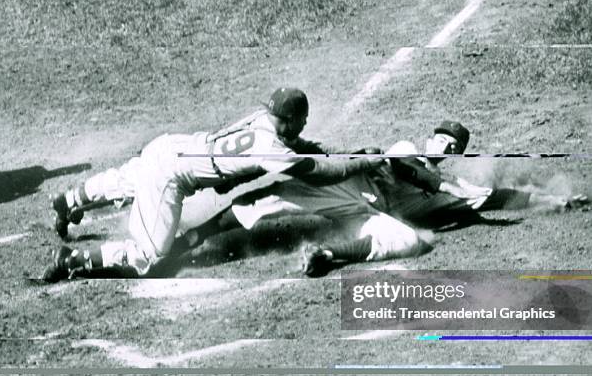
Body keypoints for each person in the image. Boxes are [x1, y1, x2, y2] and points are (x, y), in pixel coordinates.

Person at [42, 87, 385, 282]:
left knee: (130, 179)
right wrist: (363, 163)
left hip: (170, 146)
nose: (305, 125)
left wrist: (349, 154)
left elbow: (305, 148)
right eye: (303, 120)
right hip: (171, 177)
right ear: (292, 120)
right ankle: (73, 260)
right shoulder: (271, 148)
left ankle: (71, 198)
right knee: (149, 258)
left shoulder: (262, 122)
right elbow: (318, 172)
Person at [175, 120, 589, 276]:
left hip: (369, 215)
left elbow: (498, 197)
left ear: (456, 155)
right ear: (431, 137)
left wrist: (553, 202)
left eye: (452, 148)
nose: (444, 148)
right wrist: (439, 185)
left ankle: (326, 255)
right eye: (442, 140)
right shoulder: (407, 147)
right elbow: (407, 168)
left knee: (412, 241)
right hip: (346, 191)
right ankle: (195, 238)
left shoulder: (450, 191)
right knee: (274, 197)